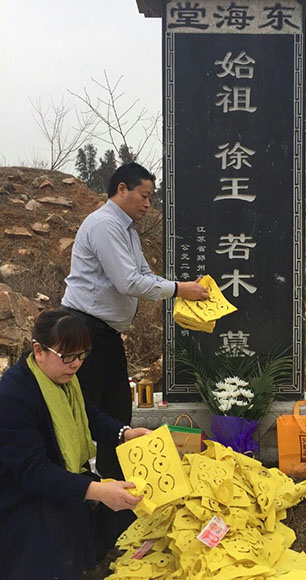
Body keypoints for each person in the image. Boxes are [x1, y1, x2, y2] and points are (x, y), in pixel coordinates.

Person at [61, 162, 208, 478]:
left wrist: (178, 290)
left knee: (116, 412)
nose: (147, 204)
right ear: (122, 189)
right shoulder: (104, 225)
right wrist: (180, 289)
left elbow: (142, 274)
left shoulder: (127, 230)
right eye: (144, 195)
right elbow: (128, 282)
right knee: (86, 413)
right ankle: (81, 487)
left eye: (151, 197)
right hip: (83, 331)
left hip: (106, 334)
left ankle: (115, 487)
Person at [0, 309, 150, 580]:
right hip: (24, 497)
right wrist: (96, 490)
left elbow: (87, 414)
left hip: (63, 480)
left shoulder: (63, 379)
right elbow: (34, 471)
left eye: (82, 355)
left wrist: (124, 434)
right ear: (38, 350)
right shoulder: (14, 395)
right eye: (68, 356)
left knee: (129, 516)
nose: (76, 364)